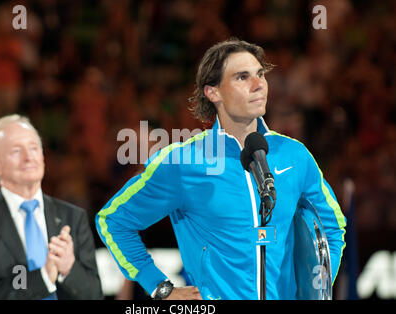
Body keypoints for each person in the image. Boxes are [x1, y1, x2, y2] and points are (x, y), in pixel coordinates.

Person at [95, 38, 347, 300]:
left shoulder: (294, 155)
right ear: (213, 92)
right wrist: (160, 288)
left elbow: (332, 225)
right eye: (242, 77)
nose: (258, 84)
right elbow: (113, 219)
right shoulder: (183, 162)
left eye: (261, 74)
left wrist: (316, 291)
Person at [0, 114, 103, 300]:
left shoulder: (73, 217)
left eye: (34, 148)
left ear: (42, 156)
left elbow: (95, 295)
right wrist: (42, 278)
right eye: (16, 151)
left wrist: (69, 269)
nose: (28, 158)